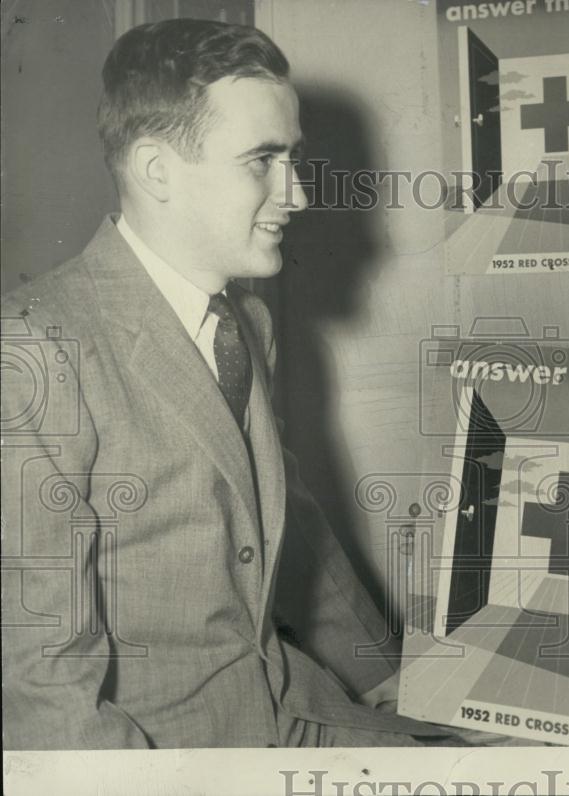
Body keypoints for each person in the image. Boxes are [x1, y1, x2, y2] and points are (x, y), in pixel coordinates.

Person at [0, 18, 459, 749]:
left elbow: (288, 516)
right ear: (156, 171)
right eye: (263, 161)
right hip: (156, 753)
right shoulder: (31, 350)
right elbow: (45, 692)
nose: (298, 194)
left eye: (293, 158)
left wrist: (388, 679)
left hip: (287, 708)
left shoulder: (245, 322)